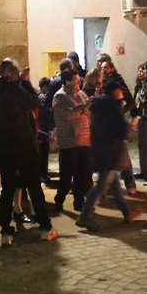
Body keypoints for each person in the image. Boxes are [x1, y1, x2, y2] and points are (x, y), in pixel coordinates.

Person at [0, 58, 57, 246]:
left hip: (1, 147)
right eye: (16, 73)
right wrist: (24, 82)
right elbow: (34, 102)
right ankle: (45, 228)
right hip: (22, 145)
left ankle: (5, 232)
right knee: (34, 186)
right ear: (9, 73)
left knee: (7, 188)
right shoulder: (13, 89)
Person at [75, 82, 139, 231]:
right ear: (114, 92)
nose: (122, 93)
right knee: (101, 186)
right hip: (110, 153)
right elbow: (123, 131)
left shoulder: (100, 105)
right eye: (119, 91)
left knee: (114, 186)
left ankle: (126, 212)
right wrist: (133, 125)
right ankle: (85, 215)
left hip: (102, 151)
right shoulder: (111, 108)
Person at [52, 68, 92, 212]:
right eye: (75, 80)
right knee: (66, 176)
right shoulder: (60, 97)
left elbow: (88, 113)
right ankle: (59, 199)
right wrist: (83, 108)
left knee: (81, 174)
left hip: (84, 139)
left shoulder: (81, 94)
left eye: (78, 79)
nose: (78, 82)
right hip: (69, 141)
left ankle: (79, 202)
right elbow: (66, 116)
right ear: (67, 81)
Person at [101, 60, 137, 193]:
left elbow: (129, 101)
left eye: (105, 67)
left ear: (111, 68)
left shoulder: (117, 82)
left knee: (122, 157)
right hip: (107, 128)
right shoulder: (102, 83)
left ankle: (129, 184)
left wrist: (121, 111)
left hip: (114, 127)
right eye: (101, 66)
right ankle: (110, 187)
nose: (102, 69)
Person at [133, 63, 147, 180]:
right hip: (140, 117)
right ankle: (143, 170)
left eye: (143, 71)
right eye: (139, 71)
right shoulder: (138, 86)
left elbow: (145, 102)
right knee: (141, 145)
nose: (141, 73)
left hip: (146, 117)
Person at [36, 76, 53, 184]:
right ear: (45, 87)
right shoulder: (42, 97)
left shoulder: (38, 95)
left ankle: (42, 174)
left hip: (40, 128)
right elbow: (46, 113)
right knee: (43, 152)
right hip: (42, 128)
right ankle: (43, 174)